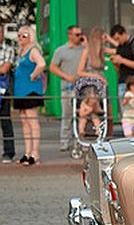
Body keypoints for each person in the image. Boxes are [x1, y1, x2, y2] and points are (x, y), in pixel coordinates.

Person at [11, 26, 46, 165]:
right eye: (19, 35)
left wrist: (34, 75)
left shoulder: (33, 50)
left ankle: (35, 153)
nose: (20, 38)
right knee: (24, 122)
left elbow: (42, 63)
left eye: (24, 35)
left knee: (32, 121)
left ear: (30, 36)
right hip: (20, 91)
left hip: (30, 90)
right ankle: (27, 152)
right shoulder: (21, 52)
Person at [48, 25, 85, 151]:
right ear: (69, 35)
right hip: (67, 87)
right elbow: (52, 67)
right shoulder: (61, 50)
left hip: (83, 87)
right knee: (67, 115)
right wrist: (66, 76)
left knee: (82, 116)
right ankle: (65, 142)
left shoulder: (84, 49)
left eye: (81, 34)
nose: (79, 37)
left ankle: (80, 141)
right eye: (77, 35)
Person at [104, 24, 134, 91]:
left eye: (118, 38)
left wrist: (122, 60)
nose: (117, 41)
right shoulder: (120, 46)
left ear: (124, 34)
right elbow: (119, 69)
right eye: (115, 39)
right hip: (122, 83)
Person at [0, 34, 15, 163]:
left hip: (3, 90)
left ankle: (8, 153)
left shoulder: (8, 49)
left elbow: (4, 69)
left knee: (5, 122)